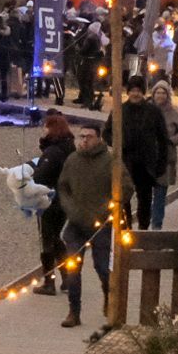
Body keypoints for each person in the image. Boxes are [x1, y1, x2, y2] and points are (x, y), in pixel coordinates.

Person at [57, 117, 118, 328]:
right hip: (76, 223)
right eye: (81, 136)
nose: (84, 141)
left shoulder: (110, 161)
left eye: (89, 137)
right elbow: (63, 187)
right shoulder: (72, 160)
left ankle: (109, 298)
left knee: (102, 267)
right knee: (73, 269)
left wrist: (107, 207)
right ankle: (74, 311)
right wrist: (69, 208)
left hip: (100, 224)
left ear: (98, 139)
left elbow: (124, 188)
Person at [118, 77, 173, 231]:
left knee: (144, 199)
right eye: (132, 91)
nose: (135, 94)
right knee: (124, 199)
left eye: (138, 91)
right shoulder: (121, 110)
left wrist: (161, 163)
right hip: (126, 162)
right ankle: (125, 229)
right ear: (128, 92)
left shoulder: (153, 111)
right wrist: (120, 143)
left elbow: (163, 139)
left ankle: (143, 229)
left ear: (143, 92)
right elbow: (108, 132)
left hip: (146, 164)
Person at [31, 108, 76, 293]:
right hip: (65, 200)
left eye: (46, 127)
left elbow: (41, 177)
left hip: (50, 201)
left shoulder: (53, 152)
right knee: (57, 239)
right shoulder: (70, 147)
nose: (43, 130)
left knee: (48, 241)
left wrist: (32, 173)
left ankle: (49, 282)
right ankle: (67, 278)